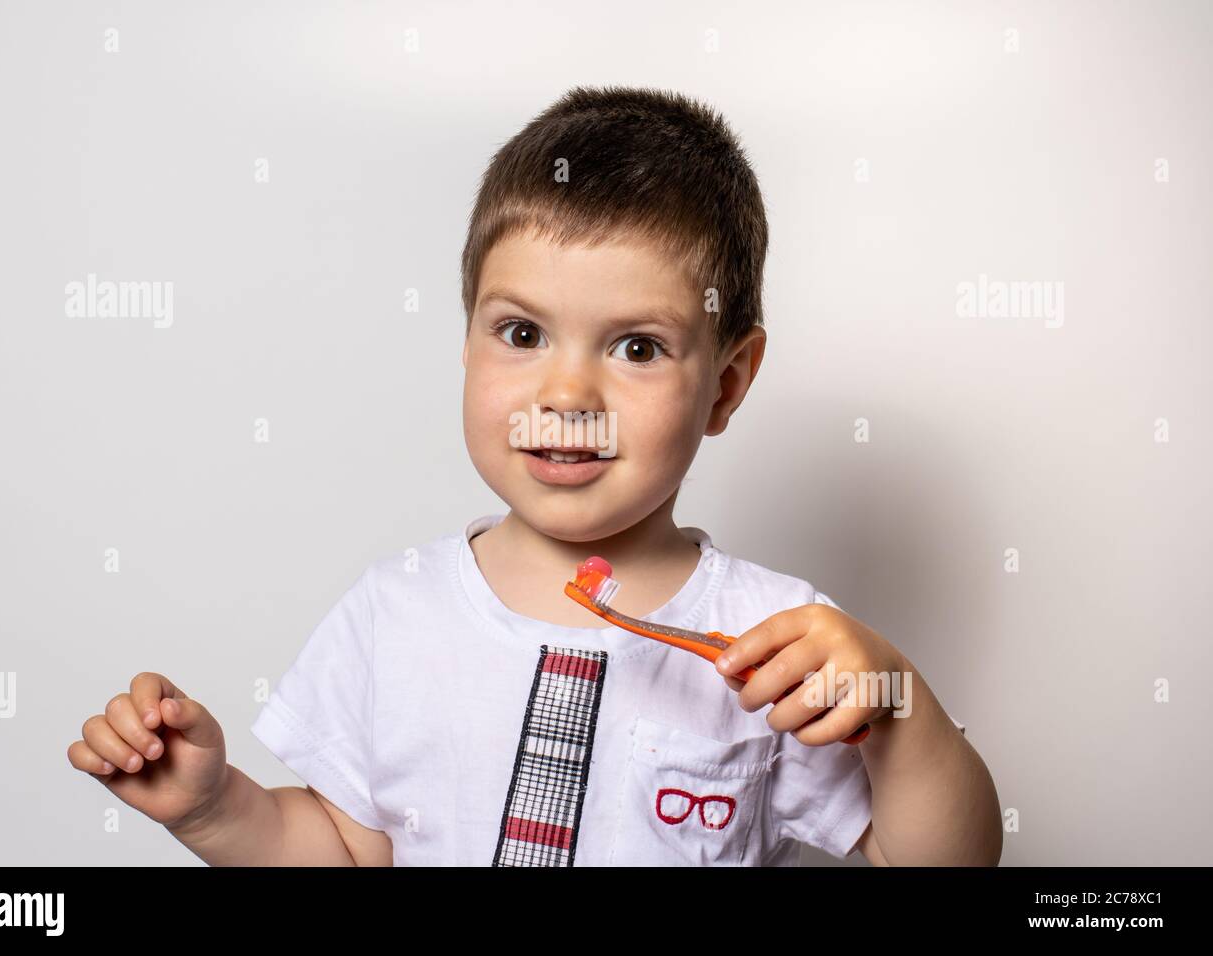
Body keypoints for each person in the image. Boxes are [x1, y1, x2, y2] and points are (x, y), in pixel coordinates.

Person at [68, 85, 1001, 866]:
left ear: (726, 384)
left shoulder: (780, 643)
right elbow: (350, 851)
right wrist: (215, 809)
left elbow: (939, 858)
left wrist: (895, 702)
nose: (566, 392)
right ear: (467, 340)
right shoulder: (393, 615)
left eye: (637, 347)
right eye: (522, 333)